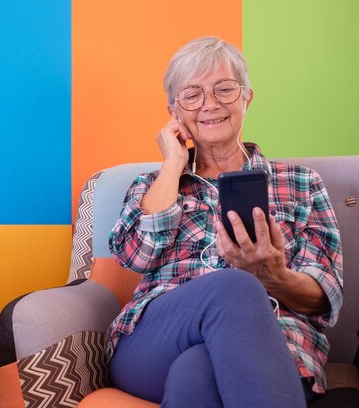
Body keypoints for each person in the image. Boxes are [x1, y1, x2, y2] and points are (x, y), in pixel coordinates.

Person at [106, 37, 343, 407]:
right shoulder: (152, 186)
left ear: (248, 97)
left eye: (224, 89)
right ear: (174, 112)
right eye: (192, 95)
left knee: (196, 373)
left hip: (275, 342)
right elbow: (137, 256)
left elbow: (323, 297)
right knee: (234, 285)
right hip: (155, 341)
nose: (210, 104)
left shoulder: (302, 183)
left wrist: (271, 275)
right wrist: (173, 164)